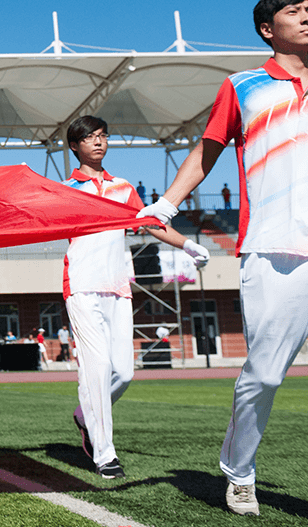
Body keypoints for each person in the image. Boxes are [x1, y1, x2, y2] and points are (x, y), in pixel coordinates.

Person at [138, 0, 308, 525]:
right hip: (274, 252)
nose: (307, 18)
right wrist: (166, 204)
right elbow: (208, 149)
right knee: (265, 377)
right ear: (267, 30)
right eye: (294, 12)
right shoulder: (243, 86)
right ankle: (239, 466)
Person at [64, 115, 209, 481]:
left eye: (102, 135)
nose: (98, 142)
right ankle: (105, 455)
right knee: (96, 370)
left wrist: (188, 245)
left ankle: (85, 416)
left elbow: (151, 223)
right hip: (82, 286)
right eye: (90, 137)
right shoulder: (65, 190)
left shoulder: (123, 187)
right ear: (75, 146)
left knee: (124, 373)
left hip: (118, 288)